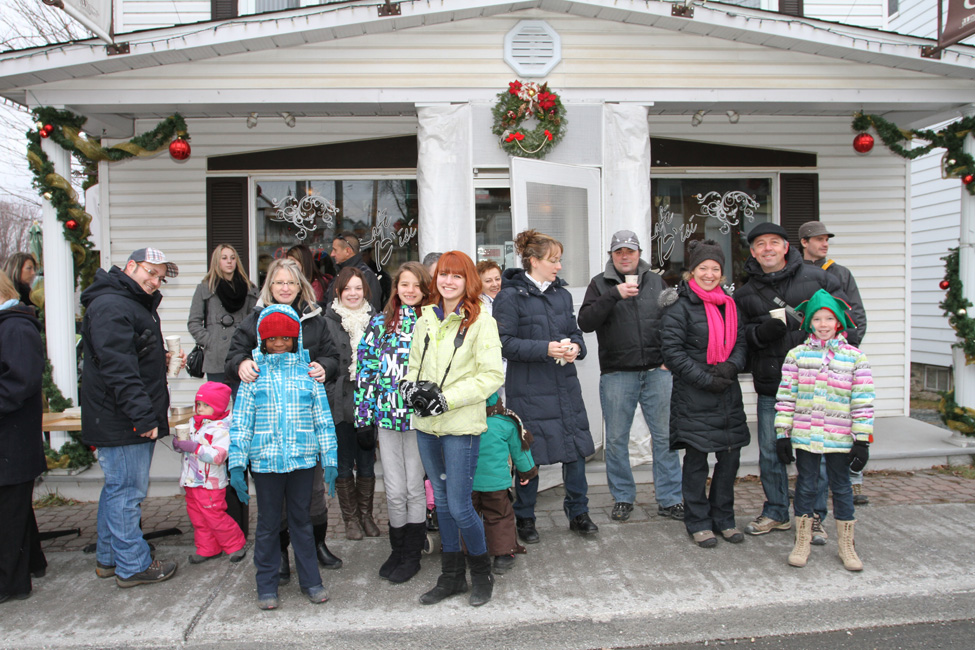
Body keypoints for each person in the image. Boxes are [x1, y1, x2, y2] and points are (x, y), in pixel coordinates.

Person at [733, 223, 853, 537]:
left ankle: (813, 515)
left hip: (818, 387)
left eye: (774, 242)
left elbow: (850, 323)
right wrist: (760, 333)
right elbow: (741, 340)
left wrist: (807, 341)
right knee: (771, 453)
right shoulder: (745, 293)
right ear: (754, 251)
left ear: (787, 247)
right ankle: (776, 511)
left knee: (816, 453)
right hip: (772, 387)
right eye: (760, 244)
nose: (768, 248)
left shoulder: (820, 280)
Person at [225, 257, 341, 577]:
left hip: (306, 420)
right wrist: (241, 364)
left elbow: (334, 357)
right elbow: (234, 354)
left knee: (312, 495)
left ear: (300, 285)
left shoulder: (315, 318)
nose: (285, 288)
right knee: (274, 505)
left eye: (290, 282)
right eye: (278, 282)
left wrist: (325, 367)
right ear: (270, 287)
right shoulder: (255, 320)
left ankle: (316, 545)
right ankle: (280, 556)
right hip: (269, 423)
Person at [401, 251, 504, 607]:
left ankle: (481, 573)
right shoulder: (425, 319)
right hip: (427, 426)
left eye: (456, 276)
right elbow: (413, 366)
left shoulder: (480, 321)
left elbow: (492, 376)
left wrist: (447, 399)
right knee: (442, 505)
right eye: (443, 274)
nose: (448, 281)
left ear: (468, 281)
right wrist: (410, 389)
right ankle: (451, 577)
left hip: (461, 425)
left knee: (460, 506)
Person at [80, 247, 181, 587]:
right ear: (131, 266)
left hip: (120, 415)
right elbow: (119, 371)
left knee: (116, 490)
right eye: (149, 272)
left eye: (159, 276)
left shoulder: (129, 303)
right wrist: (145, 417)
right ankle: (133, 565)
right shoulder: (112, 305)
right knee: (127, 493)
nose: (155, 281)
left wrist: (155, 354)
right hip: (122, 419)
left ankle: (110, 557)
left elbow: (127, 354)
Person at [492, 229, 598, 543]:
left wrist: (576, 348)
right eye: (553, 260)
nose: (559, 267)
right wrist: (545, 349)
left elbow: (574, 332)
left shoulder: (561, 294)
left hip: (564, 385)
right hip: (529, 388)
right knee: (530, 455)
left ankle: (579, 513)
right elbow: (503, 343)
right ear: (534, 261)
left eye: (559, 260)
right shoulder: (509, 296)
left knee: (575, 451)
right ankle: (525, 518)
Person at [578, 229, 685, 524]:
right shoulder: (600, 284)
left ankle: (670, 499)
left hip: (656, 373)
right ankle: (623, 497)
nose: (625, 256)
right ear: (612, 256)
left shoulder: (656, 281)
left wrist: (667, 361)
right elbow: (585, 322)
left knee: (664, 438)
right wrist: (614, 295)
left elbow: (673, 321)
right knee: (616, 439)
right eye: (619, 252)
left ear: (639, 253)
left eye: (630, 251)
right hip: (617, 374)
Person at [774, 290, 874, 571]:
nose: (823, 323)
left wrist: (862, 440)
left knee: (842, 487)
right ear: (808, 323)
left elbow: (863, 401)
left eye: (829, 318)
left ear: (839, 321)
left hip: (839, 437)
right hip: (806, 436)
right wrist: (783, 434)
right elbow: (786, 397)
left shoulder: (855, 358)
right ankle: (802, 540)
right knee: (806, 485)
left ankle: (846, 545)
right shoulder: (797, 355)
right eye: (817, 318)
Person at [659, 240, 749, 548]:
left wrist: (729, 369)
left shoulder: (730, 304)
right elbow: (672, 352)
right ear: (691, 272)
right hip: (694, 395)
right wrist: (705, 378)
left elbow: (741, 343)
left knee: (729, 458)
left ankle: (724, 518)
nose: (709, 274)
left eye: (715, 269)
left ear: (722, 273)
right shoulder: (679, 305)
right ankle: (698, 521)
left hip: (727, 394)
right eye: (703, 268)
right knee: (696, 461)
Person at [355, 261, 431, 583]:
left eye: (416, 285)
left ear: (425, 289)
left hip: (418, 421)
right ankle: (397, 549)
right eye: (404, 284)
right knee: (394, 489)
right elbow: (366, 370)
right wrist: (363, 417)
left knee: (414, 487)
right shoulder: (379, 323)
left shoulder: (433, 323)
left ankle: (412, 555)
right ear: (395, 288)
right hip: (386, 417)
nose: (409, 290)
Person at [799, 220, 870, 514]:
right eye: (818, 239)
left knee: (840, 428)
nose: (824, 243)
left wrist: (842, 347)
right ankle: (813, 498)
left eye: (827, 239)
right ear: (804, 242)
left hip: (838, 368)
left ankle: (848, 482)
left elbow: (857, 317)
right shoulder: (796, 272)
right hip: (808, 368)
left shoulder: (840, 273)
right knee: (812, 431)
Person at [0, 270, 47, 603]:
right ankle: (34, 562)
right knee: (15, 510)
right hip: (10, 438)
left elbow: (20, 382)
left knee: (9, 513)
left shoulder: (15, 326)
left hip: (12, 439)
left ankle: (11, 584)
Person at [323, 267, 378, 540]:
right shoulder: (327, 321)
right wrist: (333, 390)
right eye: (348, 289)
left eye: (358, 288)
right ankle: (351, 520)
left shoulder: (377, 319)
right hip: (339, 401)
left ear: (365, 291)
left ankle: (367, 516)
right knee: (344, 462)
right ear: (338, 292)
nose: (353, 293)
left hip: (369, 400)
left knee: (367, 460)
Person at [173, 382, 247, 565]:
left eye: (206, 405)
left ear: (219, 406)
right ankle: (208, 548)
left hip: (210, 483)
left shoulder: (222, 429)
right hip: (192, 481)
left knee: (215, 516)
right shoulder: (194, 423)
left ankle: (235, 544)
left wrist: (194, 447)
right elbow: (189, 445)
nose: (200, 409)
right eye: (198, 404)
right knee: (198, 518)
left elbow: (218, 456)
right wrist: (180, 444)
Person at [473, 392, 537, 574]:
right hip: (497, 484)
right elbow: (520, 449)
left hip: (467, 483)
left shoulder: (461, 423)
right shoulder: (507, 422)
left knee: (468, 516)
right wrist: (526, 472)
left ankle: (468, 550)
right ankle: (503, 554)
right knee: (499, 516)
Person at [187, 244, 258, 395]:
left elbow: (255, 320)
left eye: (233, 258)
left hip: (242, 355)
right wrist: (210, 341)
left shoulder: (248, 288)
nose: (229, 262)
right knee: (215, 402)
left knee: (242, 403)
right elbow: (194, 322)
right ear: (216, 261)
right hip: (216, 355)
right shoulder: (205, 288)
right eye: (224, 258)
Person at [330, 232, 383, 311]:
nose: (332, 254)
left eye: (335, 250)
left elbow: (372, 309)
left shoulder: (366, 275)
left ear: (348, 251)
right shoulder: (340, 271)